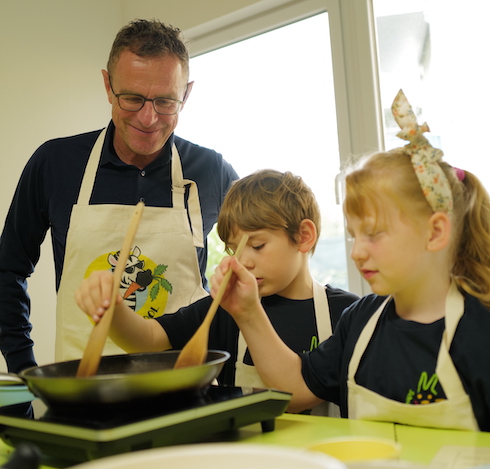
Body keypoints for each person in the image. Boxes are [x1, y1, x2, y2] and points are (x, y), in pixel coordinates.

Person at [210, 90, 490, 432]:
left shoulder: (481, 336)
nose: (356, 252)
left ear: (435, 232)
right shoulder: (360, 321)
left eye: (374, 234)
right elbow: (294, 389)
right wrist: (246, 312)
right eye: (353, 235)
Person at [0, 18, 238, 373]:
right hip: (82, 395)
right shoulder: (55, 164)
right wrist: (24, 377)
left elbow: (261, 259)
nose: (148, 117)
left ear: (185, 94)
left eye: (165, 101)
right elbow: (7, 271)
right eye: (133, 99)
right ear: (108, 86)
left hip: (187, 390)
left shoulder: (211, 170)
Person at [75, 169, 359, 414]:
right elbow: (148, 340)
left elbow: (297, 398)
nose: (243, 261)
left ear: (304, 237)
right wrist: (113, 309)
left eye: (257, 245)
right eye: (234, 250)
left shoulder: (348, 315)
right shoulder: (223, 309)